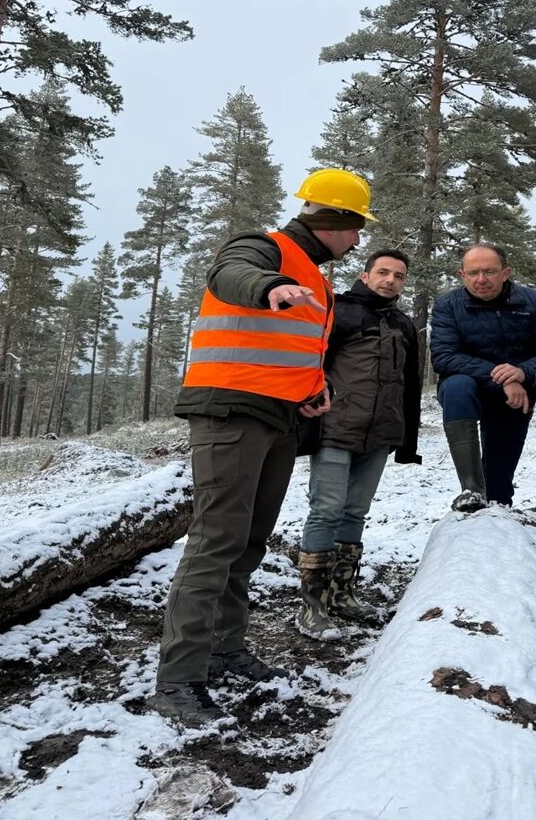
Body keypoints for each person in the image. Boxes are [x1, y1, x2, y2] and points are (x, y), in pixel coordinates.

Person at [146, 168, 373, 727]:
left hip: (276, 417)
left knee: (247, 542)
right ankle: (178, 679)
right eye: (356, 227)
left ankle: (225, 650)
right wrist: (265, 287)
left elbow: (284, 349)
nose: (359, 240)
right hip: (229, 412)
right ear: (335, 220)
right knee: (215, 541)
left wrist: (311, 390)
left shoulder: (315, 277)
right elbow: (230, 274)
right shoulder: (263, 248)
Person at [296, 248, 422, 639]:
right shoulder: (341, 311)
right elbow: (312, 364)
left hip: (381, 434)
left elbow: (411, 387)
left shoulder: (404, 324)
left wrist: (406, 440)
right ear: (365, 275)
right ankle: (311, 607)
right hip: (337, 429)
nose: (390, 280)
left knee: (354, 513)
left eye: (398, 276)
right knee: (326, 511)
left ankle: (342, 594)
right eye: (382, 272)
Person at [430, 244, 536, 511]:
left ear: (505, 273)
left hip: (516, 397)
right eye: (474, 273)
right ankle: (470, 488)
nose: (481, 279)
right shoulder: (447, 305)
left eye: (489, 271)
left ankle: (499, 523)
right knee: (457, 384)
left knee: (499, 485)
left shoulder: (532, 302)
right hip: (467, 393)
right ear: (462, 275)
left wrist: (523, 372)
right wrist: (504, 378)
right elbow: (444, 357)